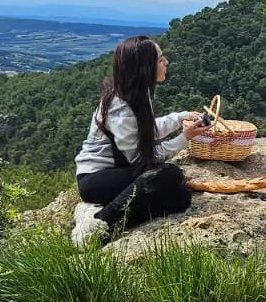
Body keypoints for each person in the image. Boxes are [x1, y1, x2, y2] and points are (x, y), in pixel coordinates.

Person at [71, 35, 211, 247]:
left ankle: (107, 220)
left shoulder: (136, 94)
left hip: (119, 171)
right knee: (169, 174)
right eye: (160, 59)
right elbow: (143, 161)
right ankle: (99, 222)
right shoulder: (120, 109)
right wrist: (185, 138)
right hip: (95, 178)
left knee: (181, 197)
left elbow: (146, 131)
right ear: (145, 67)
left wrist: (180, 117)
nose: (166, 63)